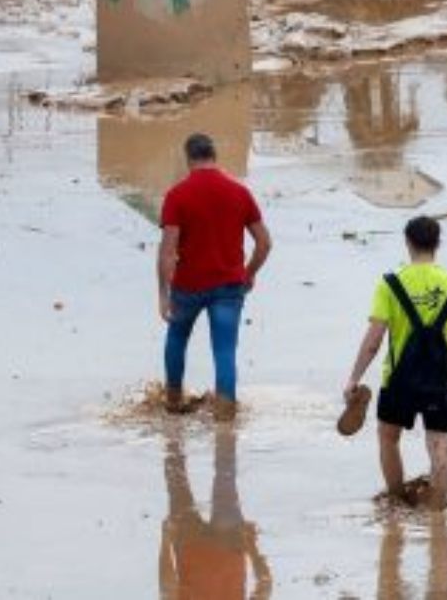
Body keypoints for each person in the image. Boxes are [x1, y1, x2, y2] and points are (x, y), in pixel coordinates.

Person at [342, 216, 447, 509]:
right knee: (440, 446)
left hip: (398, 380)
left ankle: (396, 502)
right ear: (437, 244)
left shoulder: (390, 284)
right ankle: (437, 516)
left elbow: (373, 340)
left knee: (388, 439)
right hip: (441, 382)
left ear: (408, 243)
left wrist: (354, 378)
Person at [159, 133, 272, 420]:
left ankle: (173, 401)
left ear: (188, 159)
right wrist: (249, 273)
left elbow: (167, 252)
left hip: (188, 286)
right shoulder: (239, 192)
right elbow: (264, 243)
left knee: (177, 337)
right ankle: (225, 413)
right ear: (214, 156)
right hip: (228, 286)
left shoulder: (177, 195)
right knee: (224, 349)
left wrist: (163, 293)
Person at [159, 424, 272, 600]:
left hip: (225, 547)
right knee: (177, 478)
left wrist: (252, 547)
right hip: (198, 546)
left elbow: (265, 585)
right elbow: (167, 589)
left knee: (225, 471)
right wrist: (165, 541)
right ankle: (173, 420)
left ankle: (221, 420)